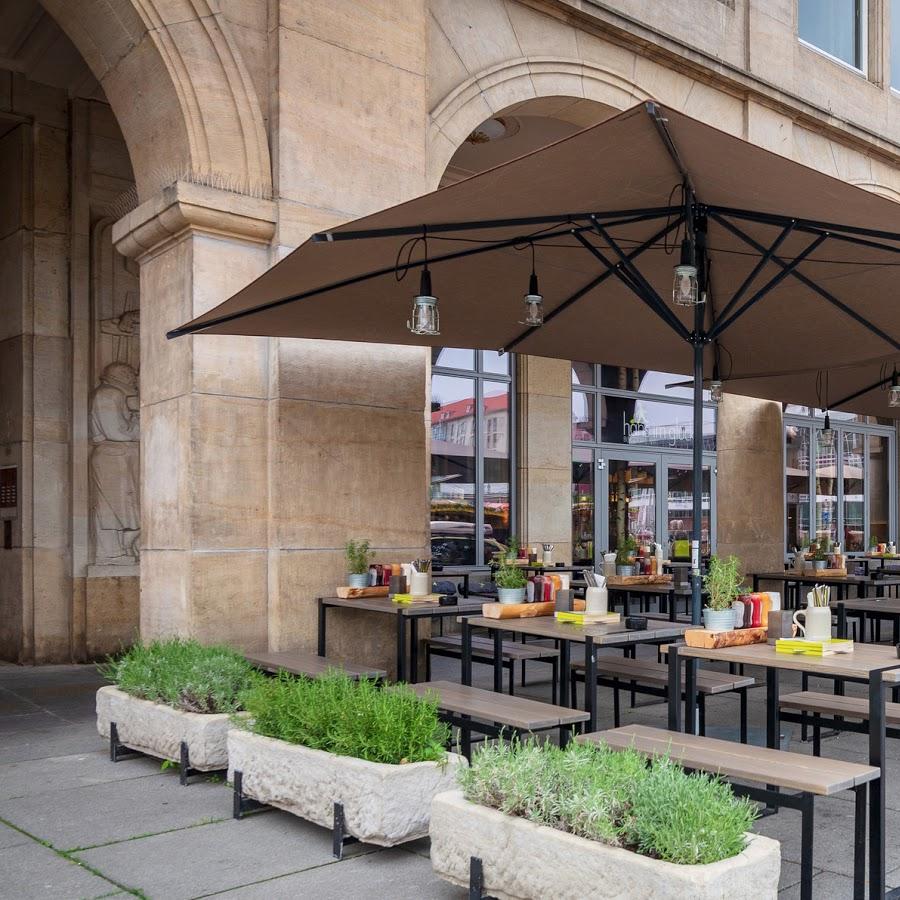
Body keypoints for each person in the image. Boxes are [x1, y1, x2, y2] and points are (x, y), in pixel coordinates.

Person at [89, 362, 140, 564]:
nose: (135, 379)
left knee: (121, 507)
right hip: (113, 457)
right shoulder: (109, 394)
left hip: (118, 457)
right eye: (131, 375)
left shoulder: (112, 393)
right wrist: (138, 418)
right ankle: (111, 553)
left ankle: (119, 550)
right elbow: (116, 432)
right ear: (121, 376)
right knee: (112, 507)